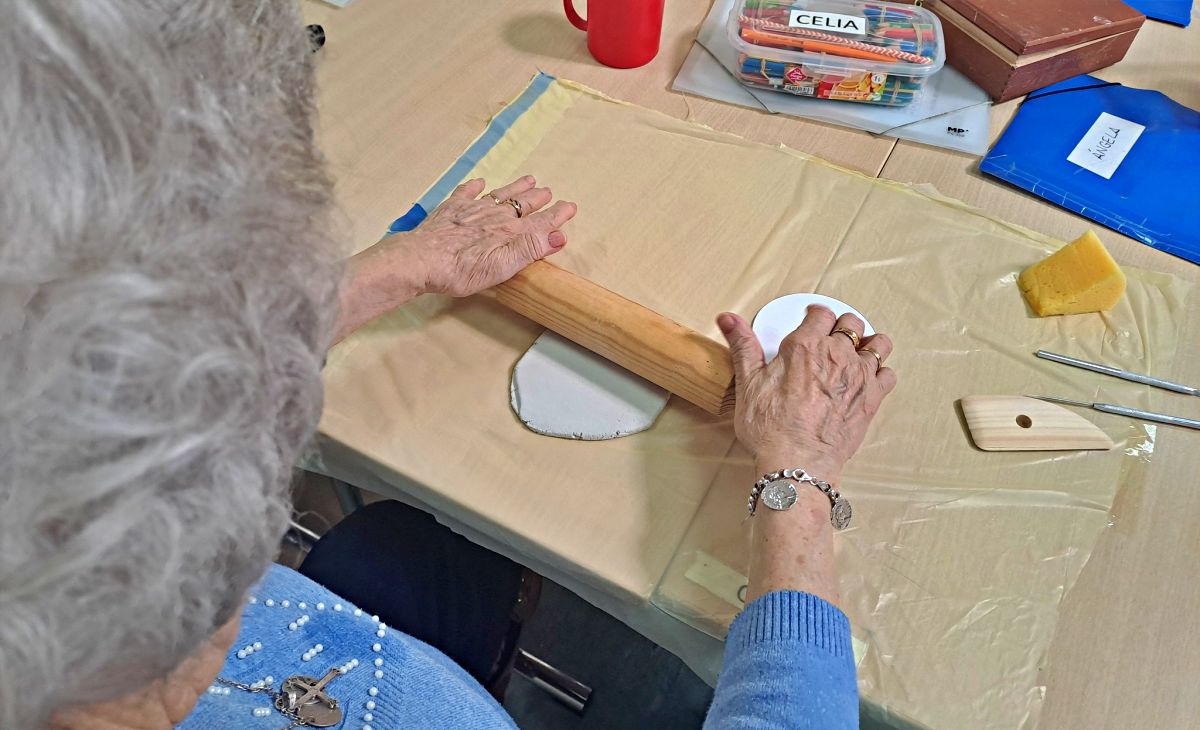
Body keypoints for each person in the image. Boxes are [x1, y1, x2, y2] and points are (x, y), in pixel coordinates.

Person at [0, 2, 896, 729]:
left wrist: (392, 272)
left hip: (334, 649)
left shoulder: (63, 546)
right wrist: (799, 480)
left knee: (421, 550)